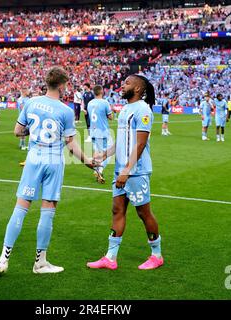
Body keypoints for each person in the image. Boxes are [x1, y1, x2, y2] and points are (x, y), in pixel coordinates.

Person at [0, 67, 97, 275]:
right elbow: (71, 144)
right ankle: (40, 263)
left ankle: (3, 259)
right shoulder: (65, 110)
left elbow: (18, 131)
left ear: (47, 82)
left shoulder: (31, 102)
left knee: (20, 208)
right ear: (63, 85)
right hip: (53, 161)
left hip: (33, 159)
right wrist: (88, 161)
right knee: (48, 210)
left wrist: (32, 131)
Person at [87, 74, 163, 271]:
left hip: (136, 172)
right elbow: (122, 141)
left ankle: (156, 255)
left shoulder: (143, 110)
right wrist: (105, 155)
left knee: (143, 212)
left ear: (138, 89)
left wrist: (127, 171)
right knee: (117, 210)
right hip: (121, 170)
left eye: (127, 83)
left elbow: (140, 143)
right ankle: (110, 258)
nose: (122, 85)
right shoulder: (125, 110)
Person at [87, 84, 113, 184]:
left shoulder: (90, 103)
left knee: (97, 151)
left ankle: (96, 168)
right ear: (102, 91)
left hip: (93, 131)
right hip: (102, 131)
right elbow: (110, 117)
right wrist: (112, 111)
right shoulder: (104, 102)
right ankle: (99, 170)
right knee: (109, 153)